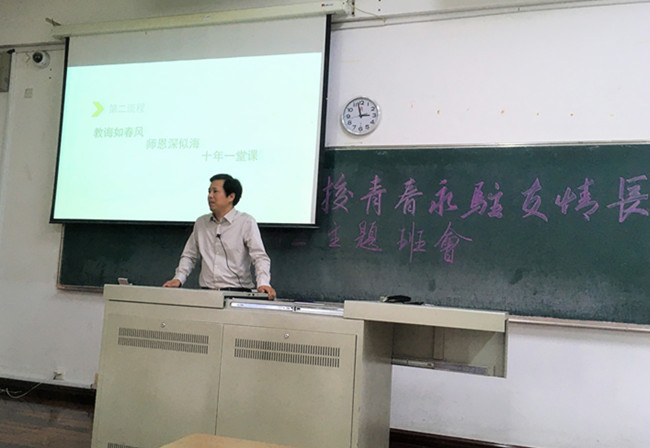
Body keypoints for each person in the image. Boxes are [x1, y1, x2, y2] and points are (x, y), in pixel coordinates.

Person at [163, 173, 276, 300]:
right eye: (209, 191)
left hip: (237, 294)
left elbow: (259, 256)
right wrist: (178, 278)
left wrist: (263, 283)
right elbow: (189, 256)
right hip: (206, 294)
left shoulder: (245, 222)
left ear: (231, 196)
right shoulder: (201, 223)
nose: (210, 196)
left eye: (215, 191)